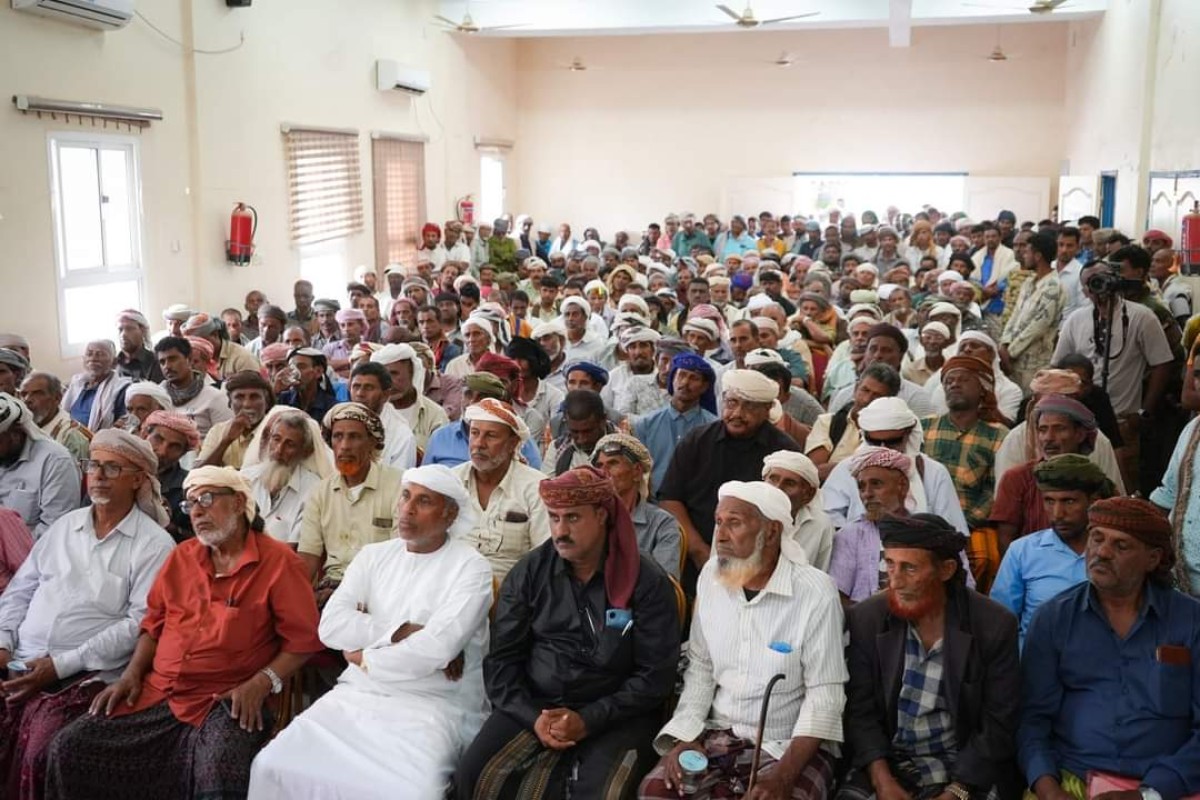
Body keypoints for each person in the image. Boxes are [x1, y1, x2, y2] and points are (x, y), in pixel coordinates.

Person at [43, 466, 323, 799]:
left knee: (220, 773)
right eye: (190, 504)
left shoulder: (279, 563)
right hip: (158, 692)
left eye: (207, 498)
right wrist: (131, 675)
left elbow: (303, 642)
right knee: (70, 747)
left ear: (238, 503)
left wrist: (261, 683)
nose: (198, 511)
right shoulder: (182, 557)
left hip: (226, 700)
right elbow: (153, 624)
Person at [249, 465, 493, 799]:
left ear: (450, 514)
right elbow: (331, 627)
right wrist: (402, 630)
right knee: (271, 764)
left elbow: (437, 648)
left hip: (434, 703)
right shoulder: (373, 556)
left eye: (423, 501)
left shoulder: (471, 567)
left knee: (411, 791)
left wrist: (365, 656)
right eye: (406, 496)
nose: (407, 509)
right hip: (358, 694)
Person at [454, 466, 679, 800]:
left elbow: (654, 677)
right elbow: (502, 661)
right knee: (474, 776)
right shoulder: (530, 572)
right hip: (536, 705)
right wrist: (534, 719)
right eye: (554, 517)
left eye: (573, 518)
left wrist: (588, 719)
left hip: (617, 710)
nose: (560, 530)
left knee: (605, 792)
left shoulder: (646, 582)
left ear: (602, 515)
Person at [640, 481, 846, 800]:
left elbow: (825, 694)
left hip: (788, 745)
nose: (720, 535)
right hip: (719, 733)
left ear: (772, 532)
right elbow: (701, 668)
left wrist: (782, 777)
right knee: (656, 792)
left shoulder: (815, 592)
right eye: (719, 522)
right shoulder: (711, 577)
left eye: (734, 523)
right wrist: (686, 735)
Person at [0, 429, 174, 799]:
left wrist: (60, 664)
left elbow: (139, 624)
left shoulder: (154, 544)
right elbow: (21, 590)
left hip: (83, 676)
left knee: (42, 750)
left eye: (113, 468)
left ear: (138, 479)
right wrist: (3, 641)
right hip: (20, 658)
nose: (99, 475)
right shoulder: (65, 526)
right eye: (94, 465)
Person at [1018, 497, 1200, 800]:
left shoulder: (1191, 620)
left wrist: (1149, 794)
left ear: (1153, 559)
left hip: (1171, 785)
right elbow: (1032, 718)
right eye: (1097, 538)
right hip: (1071, 778)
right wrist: (1048, 787)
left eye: (1121, 546)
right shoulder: (1053, 618)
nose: (1101, 552)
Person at [840, 514, 1021, 800]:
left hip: (964, 767)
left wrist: (957, 791)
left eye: (909, 568)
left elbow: (998, 723)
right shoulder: (868, 618)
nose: (895, 581)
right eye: (889, 564)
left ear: (946, 570)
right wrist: (882, 780)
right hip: (888, 762)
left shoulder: (993, 625)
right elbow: (860, 711)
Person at [659, 368, 801, 589]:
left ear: (767, 409)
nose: (737, 413)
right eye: (732, 403)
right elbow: (670, 499)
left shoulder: (784, 451)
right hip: (695, 558)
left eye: (749, 406)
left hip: (761, 565)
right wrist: (699, 551)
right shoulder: (697, 441)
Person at [1053, 262, 1174, 491]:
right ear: (1084, 289)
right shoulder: (1076, 319)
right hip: (1078, 423)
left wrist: (1143, 412)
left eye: (1102, 278)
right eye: (1091, 283)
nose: (1098, 287)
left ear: (1115, 280)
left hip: (1123, 422)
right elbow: (1058, 365)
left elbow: (1162, 363)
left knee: (1122, 486)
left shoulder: (1141, 316)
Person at [991, 454, 1110, 647]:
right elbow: (1000, 624)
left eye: (1069, 502)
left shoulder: (1114, 553)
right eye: (1049, 501)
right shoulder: (1022, 551)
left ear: (1093, 501)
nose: (1057, 514)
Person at [297, 403, 404, 602]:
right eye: (338, 436)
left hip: (380, 588)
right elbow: (308, 557)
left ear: (372, 442)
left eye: (354, 437)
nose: (345, 445)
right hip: (331, 588)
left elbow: (401, 557)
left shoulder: (399, 486)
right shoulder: (320, 492)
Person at [822, 397, 971, 537]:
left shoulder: (933, 473)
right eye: (874, 442)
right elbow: (828, 521)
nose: (883, 449)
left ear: (908, 434)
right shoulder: (846, 469)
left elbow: (953, 532)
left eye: (892, 442)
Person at [921, 355, 1009, 591]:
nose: (954, 384)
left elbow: (995, 489)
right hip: (923, 517)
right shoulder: (923, 427)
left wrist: (963, 523)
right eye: (949, 380)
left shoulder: (998, 435)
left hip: (971, 523)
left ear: (983, 389)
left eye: (963, 379)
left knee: (985, 559)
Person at [991, 394, 1110, 548]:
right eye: (1042, 430)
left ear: (1080, 434)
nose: (1048, 438)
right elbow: (1005, 539)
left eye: (1059, 429)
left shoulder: (1097, 480)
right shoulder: (1017, 478)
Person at [451, 399, 549, 581]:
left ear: (512, 444)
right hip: (449, 584)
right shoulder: (451, 482)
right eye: (474, 433)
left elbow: (544, 558)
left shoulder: (535, 488)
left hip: (512, 595)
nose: (479, 443)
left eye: (491, 436)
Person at [591, 432, 681, 577]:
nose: (604, 473)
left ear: (637, 471)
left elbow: (665, 585)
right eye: (599, 466)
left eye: (613, 463)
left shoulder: (662, 524)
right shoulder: (590, 519)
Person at [632, 352, 718, 498]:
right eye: (681, 375)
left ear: (704, 387)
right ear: (672, 379)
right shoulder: (646, 424)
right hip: (654, 505)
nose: (685, 383)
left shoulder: (714, 427)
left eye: (693, 378)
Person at [241, 408, 327, 546]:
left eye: (290, 444)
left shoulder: (314, 489)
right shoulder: (244, 479)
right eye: (276, 439)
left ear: (305, 452)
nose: (279, 450)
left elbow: (295, 549)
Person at [0, 394, 80, 539]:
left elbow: (54, 531)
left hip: (30, 555)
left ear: (17, 433)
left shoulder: (55, 461)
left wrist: (8, 548)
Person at [807, 362, 901, 480]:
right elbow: (815, 472)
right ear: (856, 388)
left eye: (877, 396)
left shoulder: (893, 434)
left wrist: (839, 468)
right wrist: (863, 466)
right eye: (865, 390)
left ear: (888, 401)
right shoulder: (828, 422)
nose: (867, 399)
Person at [1000, 230, 1064, 388]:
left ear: (1038, 256)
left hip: (1034, 363)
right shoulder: (1029, 281)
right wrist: (1004, 344)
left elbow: (1038, 327)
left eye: (1027, 252)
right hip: (1012, 360)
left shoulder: (1053, 287)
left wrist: (1010, 353)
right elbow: (1015, 316)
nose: (1023, 255)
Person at [762, 450, 834, 571]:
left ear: (808, 494)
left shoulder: (820, 525)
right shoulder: (740, 514)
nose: (778, 489)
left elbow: (822, 574)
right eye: (773, 479)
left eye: (789, 483)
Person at [154, 337, 233, 438]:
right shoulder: (156, 396)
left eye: (173, 359)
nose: (167, 366)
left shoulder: (215, 397)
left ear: (190, 360)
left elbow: (227, 439)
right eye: (162, 362)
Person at [195, 370, 274, 469]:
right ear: (230, 404)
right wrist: (226, 441)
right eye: (239, 397)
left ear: (266, 403)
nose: (247, 404)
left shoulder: (276, 430)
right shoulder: (218, 431)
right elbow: (198, 473)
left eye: (254, 397)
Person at [348, 361, 417, 472]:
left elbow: (397, 482)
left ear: (386, 395)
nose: (360, 393)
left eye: (369, 388)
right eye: (356, 387)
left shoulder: (402, 435)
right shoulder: (338, 421)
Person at [61, 340, 130, 433]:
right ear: (83, 360)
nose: (93, 359)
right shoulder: (76, 384)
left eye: (100, 354)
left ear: (114, 362)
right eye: (89, 354)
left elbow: (122, 427)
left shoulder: (121, 389)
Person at [21, 371, 92, 463]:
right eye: (23, 394)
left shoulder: (71, 435)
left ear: (57, 398)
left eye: (37, 393)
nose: (27, 399)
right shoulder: (21, 428)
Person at [542, 390, 614, 477]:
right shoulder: (557, 449)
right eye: (575, 432)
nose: (581, 440)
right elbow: (548, 486)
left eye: (588, 431)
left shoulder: (624, 447)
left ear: (603, 421)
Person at [181, 313, 260, 380]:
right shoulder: (191, 358)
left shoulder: (243, 358)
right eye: (191, 341)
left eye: (199, 341)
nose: (195, 345)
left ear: (215, 335)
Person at [277, 347, 338, 423]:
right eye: (291, 367)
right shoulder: (283, 399)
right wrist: (275, 391)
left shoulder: (331, 407)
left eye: (301, 367)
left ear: (318, 371)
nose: (294, 372)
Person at [115, 310, 164, 384]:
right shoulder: (112, 363)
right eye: (120, 329)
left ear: (143, 331)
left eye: (129, 329)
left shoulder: (156, 362)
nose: (123, 334)